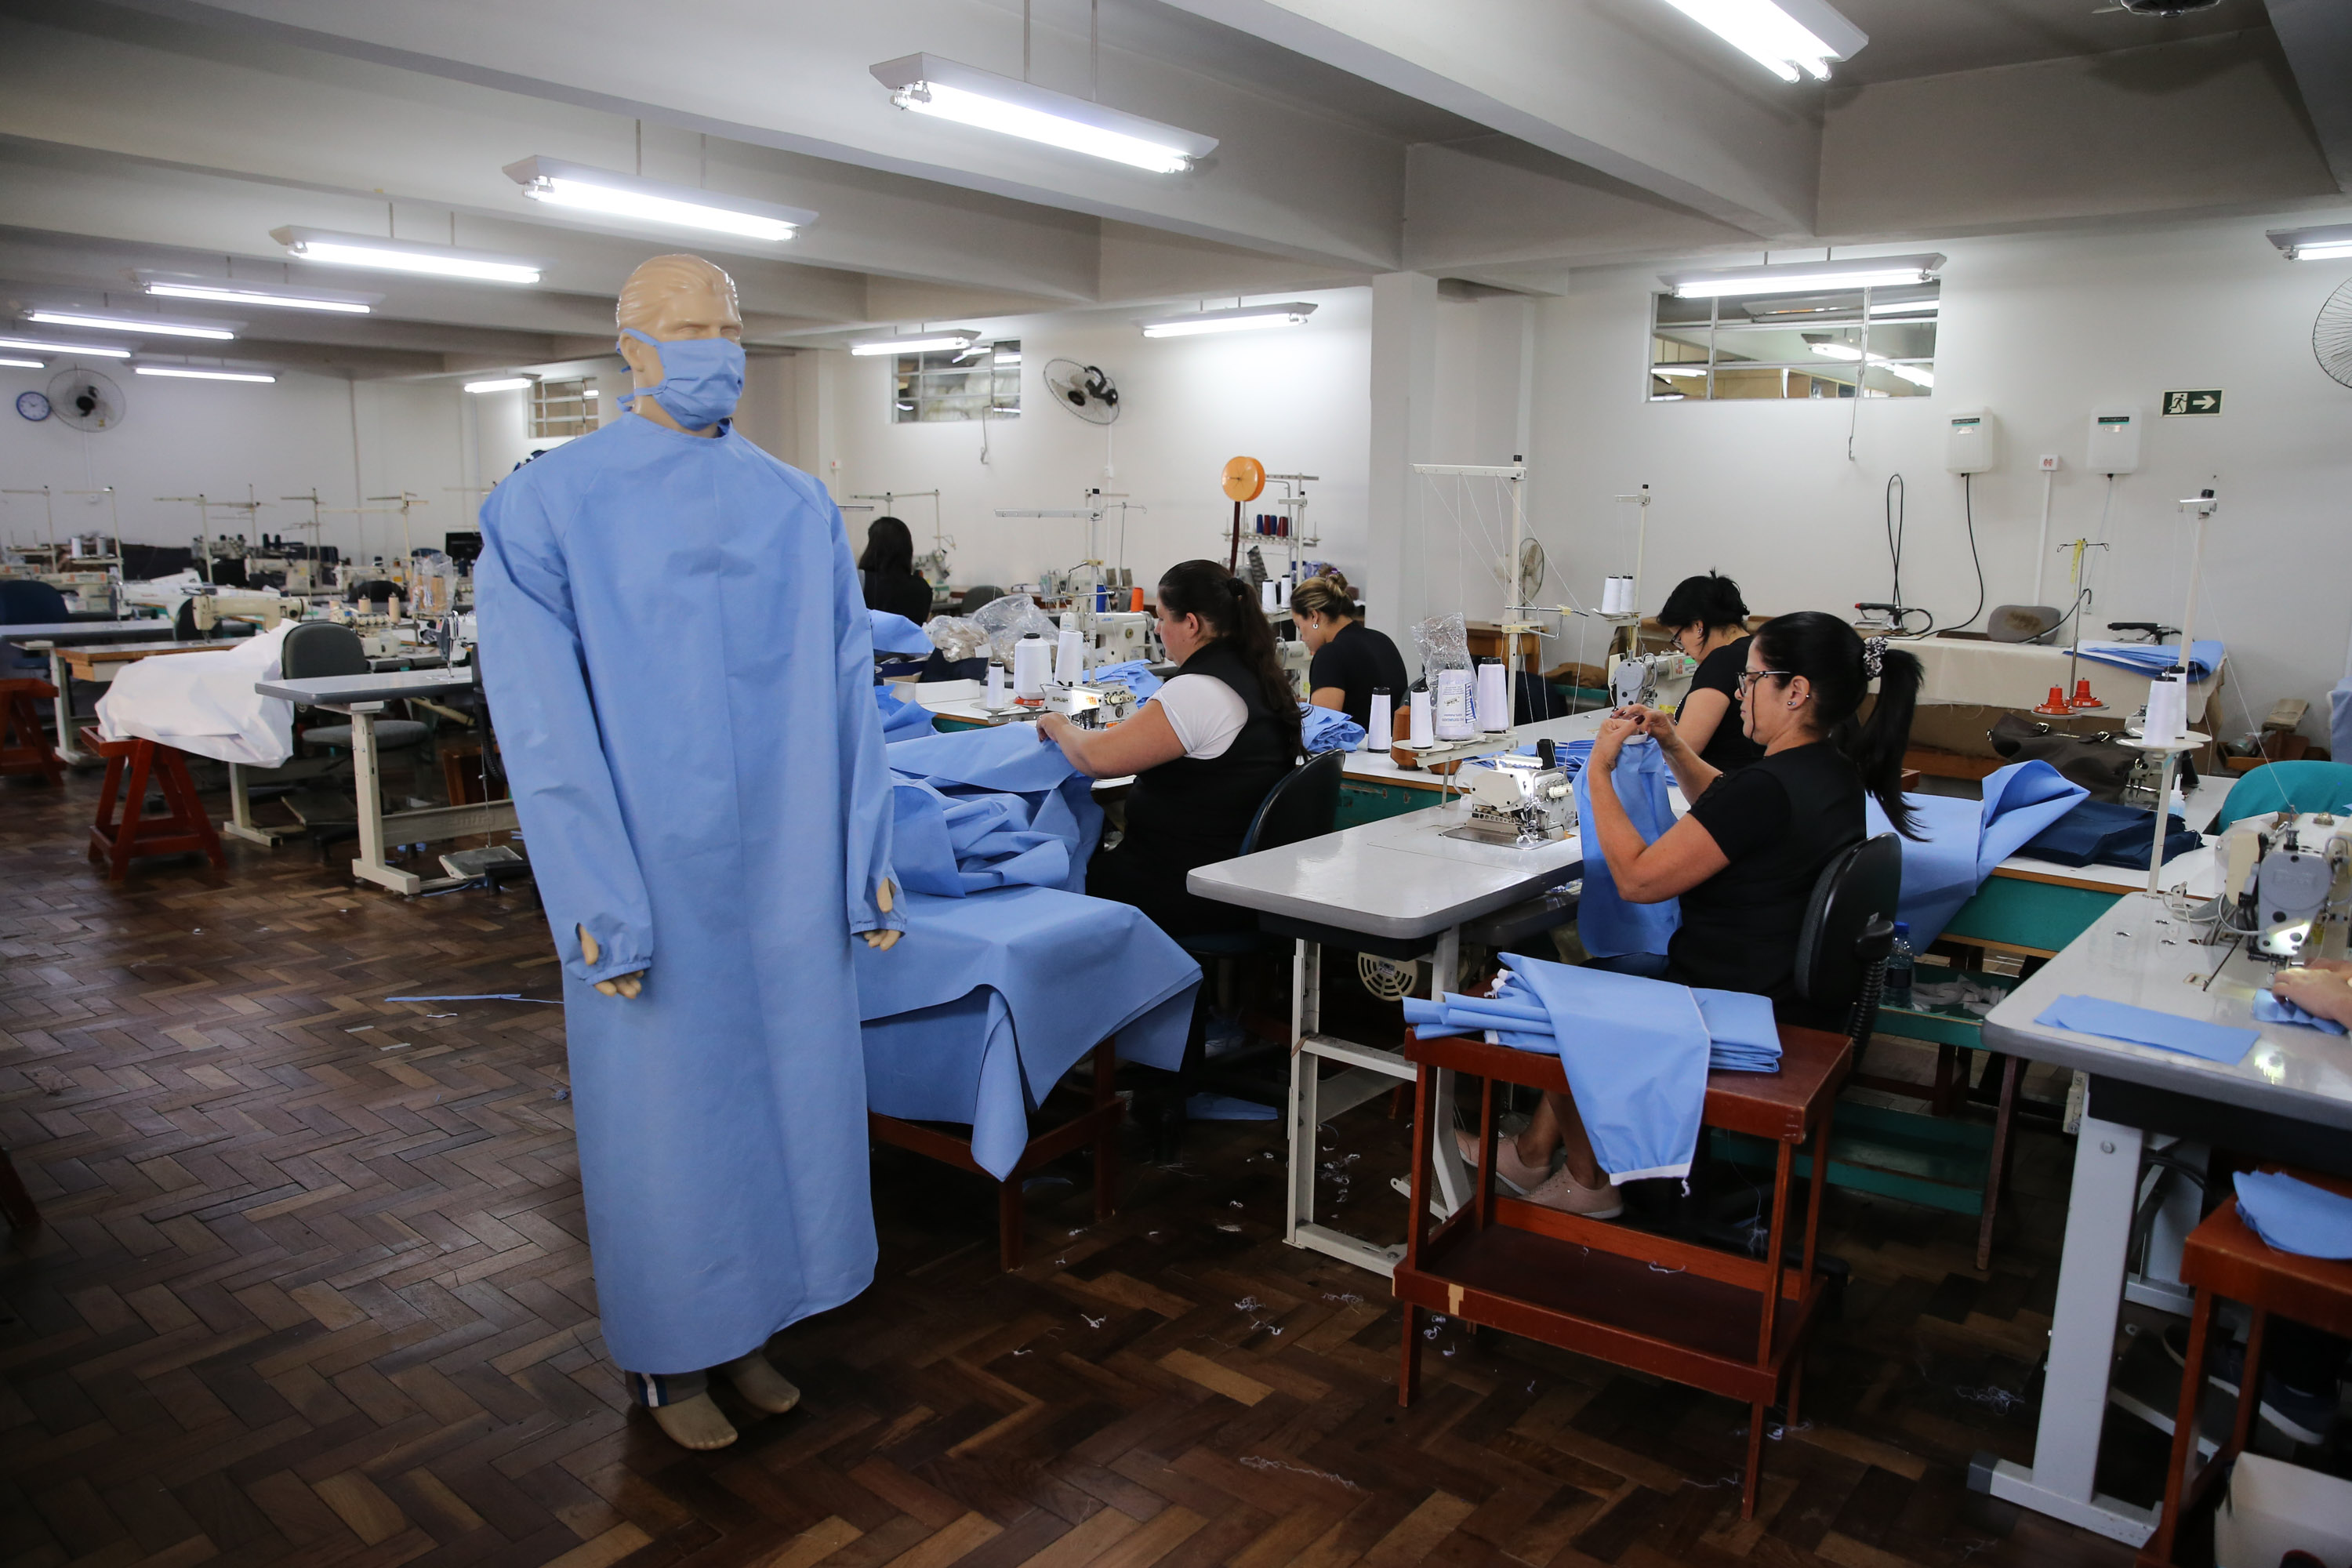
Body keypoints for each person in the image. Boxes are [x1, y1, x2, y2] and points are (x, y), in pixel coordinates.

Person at [477, 253, 903, 1452]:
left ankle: (756, 1326)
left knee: (785, 1109)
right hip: (649, 862)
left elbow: (846, 689)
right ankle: (673, 1359)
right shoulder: (551, 504)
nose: (717, 343)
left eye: (730, 323)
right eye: (687, 324)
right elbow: (543, 726)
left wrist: (863, 857)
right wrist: (596, 903)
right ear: (630, 346)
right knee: (667, 1123)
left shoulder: (793, 500)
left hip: (781, 864)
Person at [1474, 611, 1923, 1216]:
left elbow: (1636, 879)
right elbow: (1728, 807)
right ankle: (1531, 1154)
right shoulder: (1830, 772)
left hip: (1726, 997)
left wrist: (1599, 774)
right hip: (1781, 988)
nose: (1740, 691)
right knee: (1594, 978)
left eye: (1752, 678)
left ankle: (1590, 1183)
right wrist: (1671, 741)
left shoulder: (1769, 786)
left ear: (1795, 692)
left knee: (1550, 1007)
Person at [1036, 559, 1300, 937]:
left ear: (1191, 624)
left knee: (1051, 873)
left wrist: (1058, 723)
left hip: (1183, 885)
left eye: (1161, 619)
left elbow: (1097, 759)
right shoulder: (1258, 674)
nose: (1157, 630)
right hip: (1232, 875)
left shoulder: (1197, 690)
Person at [1657, 571, 1762, 771]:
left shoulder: (1722, 660)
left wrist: (1663, 729)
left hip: (1724, 783)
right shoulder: (1757, 650)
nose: (1684, 650)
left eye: (1678, 639)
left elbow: (1683, 750)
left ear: (1698, 626)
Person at [1293, 572, 1408, 730]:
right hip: (1390, 749)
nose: (1302, 637)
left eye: (1299, 626)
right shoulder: (1382, 640)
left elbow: (1321, 732)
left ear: (1314, 616)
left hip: (1355, 752)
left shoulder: (1331, 654)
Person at [858, 515, 934, 625]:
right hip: (911, 642)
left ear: (873, 548)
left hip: (870, 642)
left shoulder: (862, 580)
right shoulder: (923, 588)